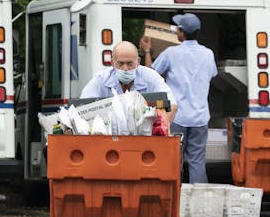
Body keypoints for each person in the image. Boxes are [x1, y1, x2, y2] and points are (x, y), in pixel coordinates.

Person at [140, 13, 217, 183]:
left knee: (174, 159)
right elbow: (212, 74)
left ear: (181, 33)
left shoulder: (171, 53)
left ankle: (174, 197)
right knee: (197, 161)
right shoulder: (208, 54)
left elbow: (151, 75)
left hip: (177, 117)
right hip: (200, 117)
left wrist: (146, 51)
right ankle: (198, 201)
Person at [81, 40, 177, 124]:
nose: (125, 69)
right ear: (112, 63)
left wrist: (161, 129)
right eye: (120, 63)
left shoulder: (151, 77)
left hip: (144, 137)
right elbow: (82, 107)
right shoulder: (101, 79)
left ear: (138, 61)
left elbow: (172, 105)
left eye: (130, 63)